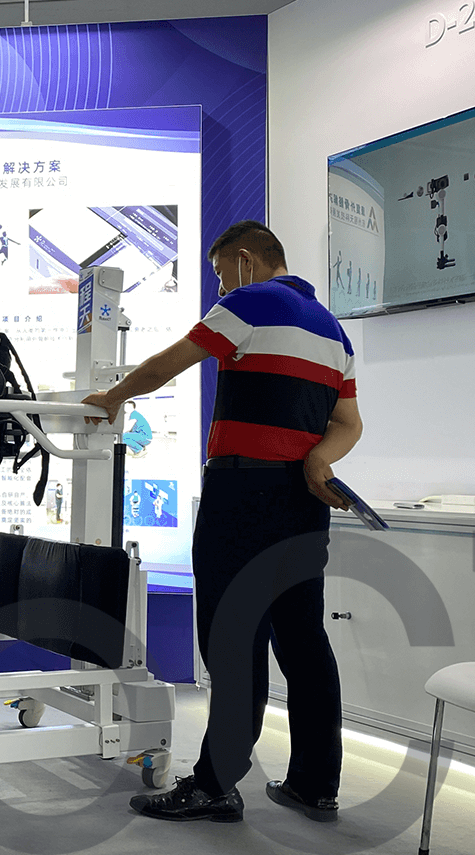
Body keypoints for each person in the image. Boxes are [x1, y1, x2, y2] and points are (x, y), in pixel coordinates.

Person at [81, 220, 362, 825]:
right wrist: (319, 460)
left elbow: (171, 363)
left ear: (245, 260)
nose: (219, 286)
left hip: (243, 492)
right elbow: (348, 423)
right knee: (303, 640)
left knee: (233, 638)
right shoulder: (334, 331)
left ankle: (214, 784)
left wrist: (113, 396)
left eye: (218, 274)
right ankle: (315, 785)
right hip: (303, 501)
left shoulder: (251, 300)